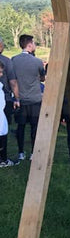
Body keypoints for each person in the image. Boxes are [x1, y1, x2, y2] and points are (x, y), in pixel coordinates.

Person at [12, 35, 45, 161]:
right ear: (30, 45)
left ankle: (20, 152)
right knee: (34, 127)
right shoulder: (37, 62)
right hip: (35, 99)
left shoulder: (14, 60)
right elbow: (42, 78)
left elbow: (12, 79)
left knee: (20, 127)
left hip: (20, 99)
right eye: (34, 43)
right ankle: (33, 152)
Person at [0, 36, 20, 166]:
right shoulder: (6, 61)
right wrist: (17, 98)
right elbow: (13, 82)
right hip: (4, 98)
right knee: (2, 129)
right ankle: (2, 158)